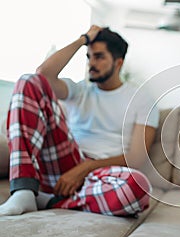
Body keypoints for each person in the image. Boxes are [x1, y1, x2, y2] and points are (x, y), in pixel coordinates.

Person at [0, 25, 159, 217]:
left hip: (100, 175)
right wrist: (82, 39)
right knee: (28, 81)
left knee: (137, 186)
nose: (91, 63)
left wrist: (84, 169)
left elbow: (135, 159)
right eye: (89, 57)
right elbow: (43, 73)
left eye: (99, 57)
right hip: (61, 161)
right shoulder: (79, 90)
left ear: (118, 63)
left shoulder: (142, 99)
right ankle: (24, 190)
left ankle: (46, 200)